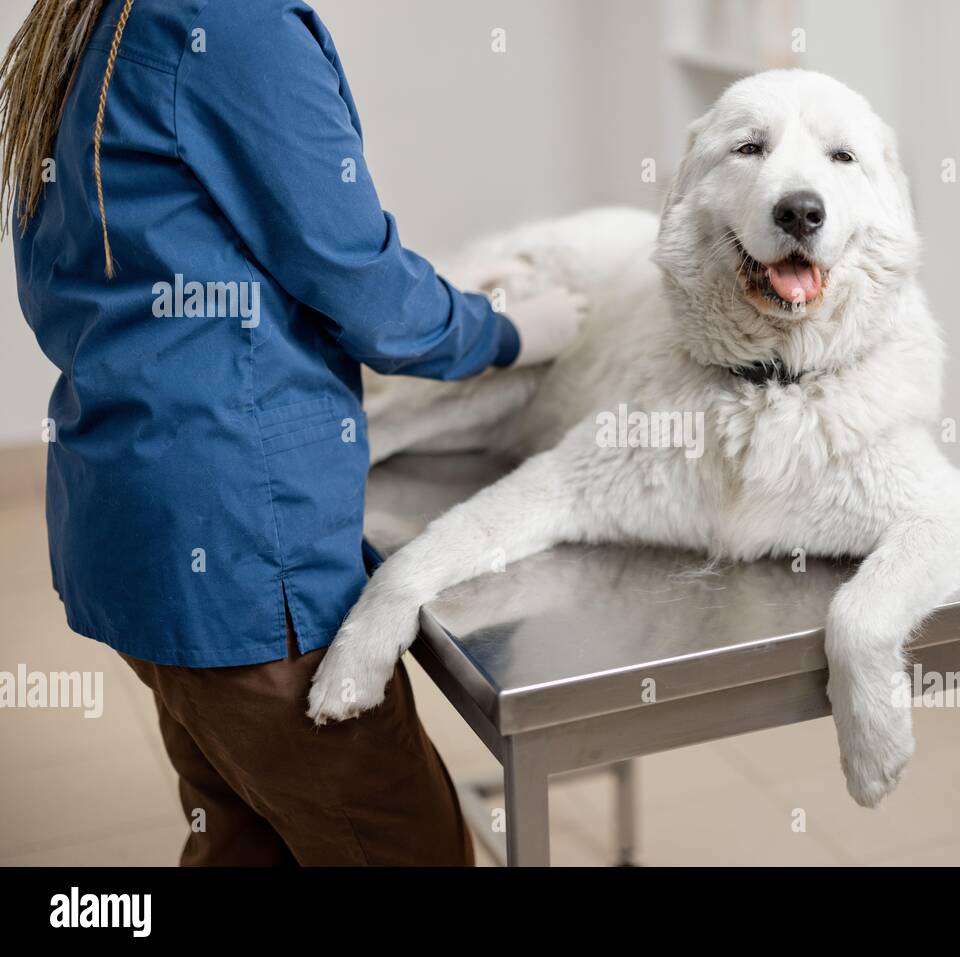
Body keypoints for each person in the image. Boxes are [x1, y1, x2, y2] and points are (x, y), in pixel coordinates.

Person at [0, 0, 584, 865]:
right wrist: (503, 330)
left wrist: (426, 300)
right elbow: (355, 284)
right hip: (241, 555)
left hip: (138, 530)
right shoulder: (229, 20)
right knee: (406, 846)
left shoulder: (88, 22)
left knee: (245, 833)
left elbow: (185, 267)